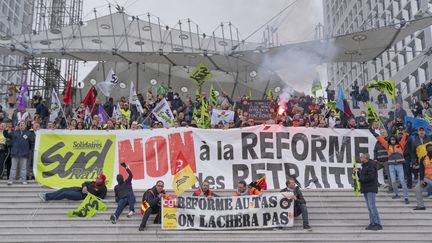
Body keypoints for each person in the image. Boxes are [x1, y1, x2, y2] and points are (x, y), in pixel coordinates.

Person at [377, 133, 410, 204]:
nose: (392, 140)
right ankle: (396, 194)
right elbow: (380, 139)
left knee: (402, 181)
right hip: (391, 165)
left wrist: (406, 131)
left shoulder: (400, 144)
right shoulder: (387, 145)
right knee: (393, 181)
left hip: (399, 165)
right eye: (391, 139)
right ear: (389, 140)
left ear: (396, 139)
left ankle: (406, 197)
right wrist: (372, 131)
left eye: (394, 139)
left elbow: (404, 137)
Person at [356, 153, 382, 231]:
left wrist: (361, 178)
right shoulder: (364, 166)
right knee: (370, 208)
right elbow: (363, 177)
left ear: (366, 158)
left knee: (372, 206)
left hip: (371, 188)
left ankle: (377, 223)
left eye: (361, 157)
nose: (360, 158)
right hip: (366, 188)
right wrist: (359, 173)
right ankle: (372, 223)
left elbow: (371, 177)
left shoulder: (371, 165)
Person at [40, 174, 107, 201]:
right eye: (96, 178)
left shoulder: (103, 188)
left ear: (102, 180)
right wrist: (84, 187)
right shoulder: (93, 182)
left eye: (98, 178)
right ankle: (47, 195)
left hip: (82, 196)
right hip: (79, 189)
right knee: (64, 189)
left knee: (65, 194)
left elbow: (101, 198)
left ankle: (47, 197)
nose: (96, 179)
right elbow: (85, 183)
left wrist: (89, 195)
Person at [413, 143, 432, 210]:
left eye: (431, 148)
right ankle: (421, 206)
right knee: (417, 189)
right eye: (428, 148)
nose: (430, 149)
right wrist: (421, 179)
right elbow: (421, 170)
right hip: (426, 179)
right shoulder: (423, 158)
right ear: (426, 150)